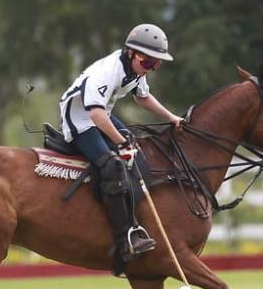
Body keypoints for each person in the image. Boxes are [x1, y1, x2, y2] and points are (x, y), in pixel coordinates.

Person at [58, 23, 184, 264]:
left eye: (157, 64)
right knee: (113, 165)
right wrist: (120, 142)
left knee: (134, 146)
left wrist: (171, 118)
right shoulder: (108, 70)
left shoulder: (136, 71)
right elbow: (94, 113)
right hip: (80, 118)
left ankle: (137, 216)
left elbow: (143, 97)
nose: (152, 68)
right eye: (148, 62)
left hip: (100, 113)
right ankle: (125, 236)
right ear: (131, 53)